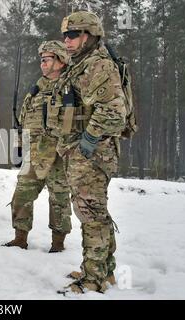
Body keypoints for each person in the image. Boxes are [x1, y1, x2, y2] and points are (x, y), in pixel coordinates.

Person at [55, 11, 127, 294]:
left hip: (93, 153)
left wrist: (88, 138)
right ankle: (102, 270)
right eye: (65, 35)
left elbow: (114, 111)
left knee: (90, 214)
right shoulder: (80, 63)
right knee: (94, 211)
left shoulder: (97, 65)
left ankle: (94, 278)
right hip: (82, 151)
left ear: (90, 35)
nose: (67, 40)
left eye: (73, 35)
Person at [3, 41, 72, 252]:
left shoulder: (69, 87)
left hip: (59, 154)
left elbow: (72, 123)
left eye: (47, 59)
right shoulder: (36, 89)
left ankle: (58, 244)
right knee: (21, 195)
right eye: (41, 59)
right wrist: (18, 148)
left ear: (60, 61)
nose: (42, 63)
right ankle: (20, 238)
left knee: (59, 200)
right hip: (33, 153)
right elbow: (22, 122)